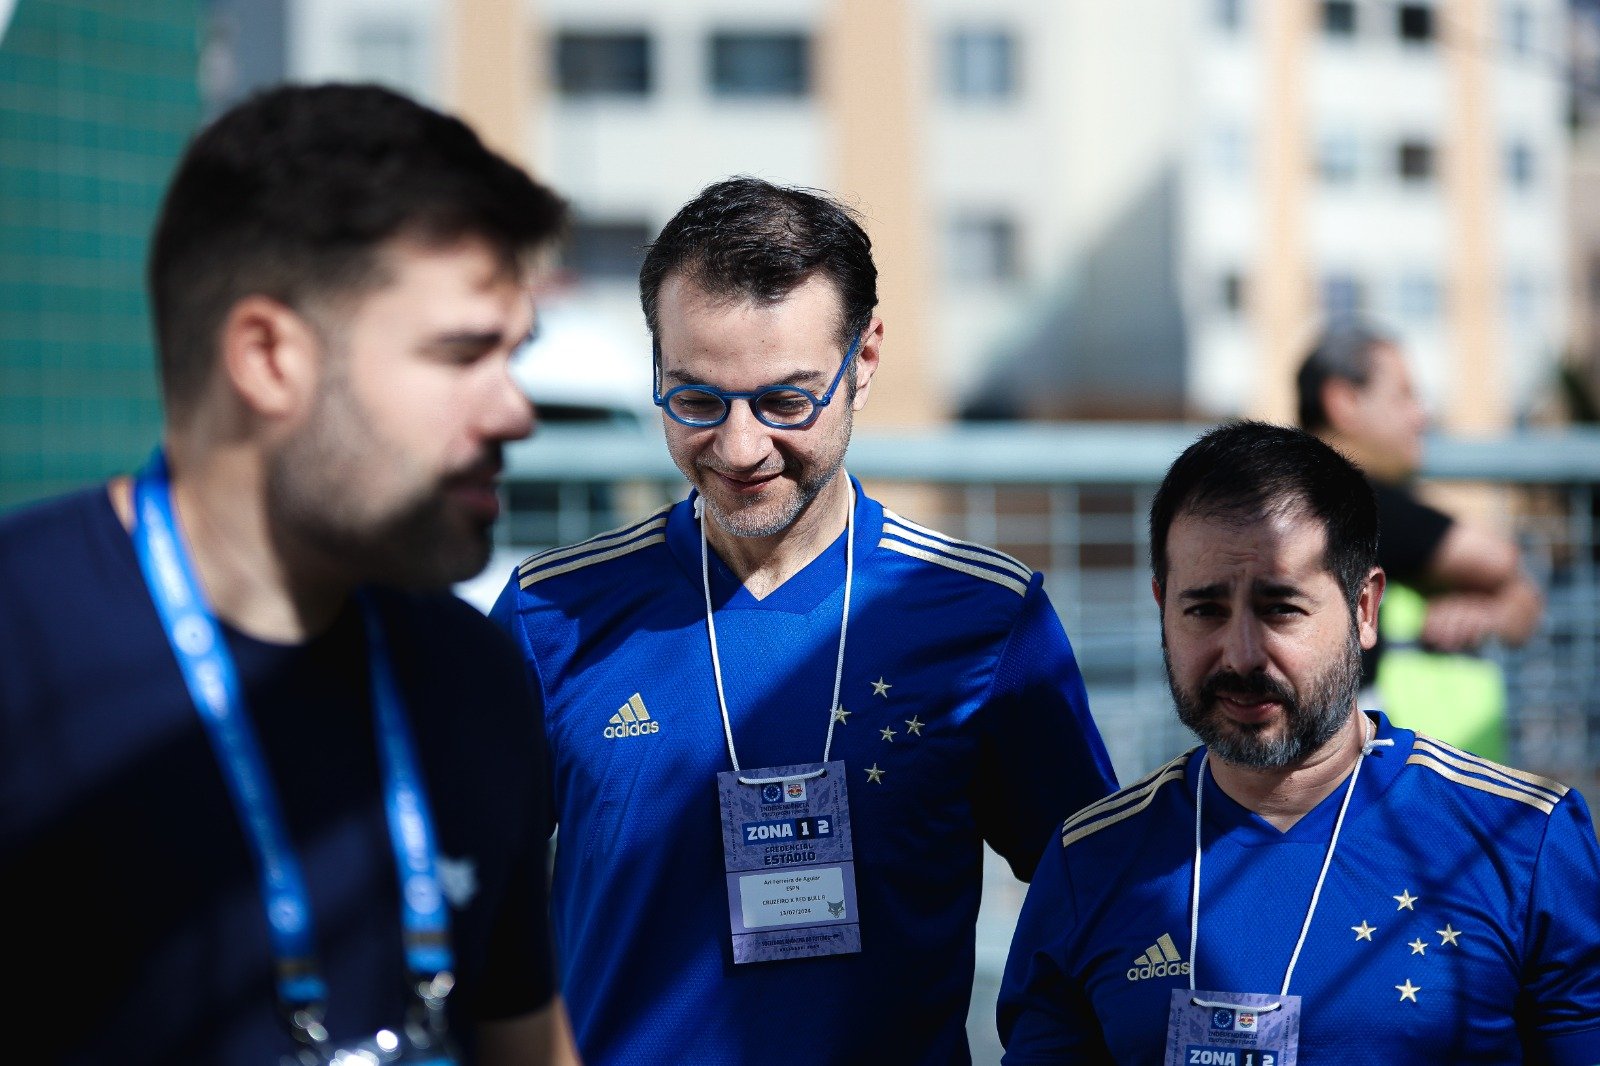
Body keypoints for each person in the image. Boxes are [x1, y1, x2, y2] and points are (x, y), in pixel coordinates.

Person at [0, 85, 568, 1063]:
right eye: (464, 352)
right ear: (267, 357)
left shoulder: (478, 674)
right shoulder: (21, 643)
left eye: (515, 353)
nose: (516, 411)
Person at [491, 176, 1117, 1064]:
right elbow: (451, 902)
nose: (741, 448)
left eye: (786, 402)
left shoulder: (983, 616)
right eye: (697, 400)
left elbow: (1097, 904)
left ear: (863, 358)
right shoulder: (552, 612)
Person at [997, 421, 1600, 1064]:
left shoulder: (1522, 842)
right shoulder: (1092, 861)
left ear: (1364, 610)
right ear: (1162, 610)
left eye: (1280, 607)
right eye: (1204, 610)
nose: (1242, 654)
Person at [1297, 322, 1542, 760]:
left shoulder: (1291, 496)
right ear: (1344, 401)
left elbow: (1522, 599)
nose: (1420, 415)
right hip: (1382, 785)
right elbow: (1498, 558)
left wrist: (1495, 610)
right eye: (1404, 395)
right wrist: (1501, 601)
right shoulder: (1345, 498)